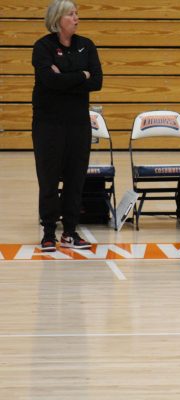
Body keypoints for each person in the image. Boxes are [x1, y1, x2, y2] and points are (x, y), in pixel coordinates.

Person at [32, 0, 103, 252]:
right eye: (71, 14)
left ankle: (71, 232)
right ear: (58, 19)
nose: (76, 18)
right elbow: (48, 81)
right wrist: (78, 76)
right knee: (49, 179)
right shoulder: (43, 47)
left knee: (76, 178)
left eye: (77, 14)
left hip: (77, 124)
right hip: (48, 124)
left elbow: (96, 81)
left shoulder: (86, 45)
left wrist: (64, 77)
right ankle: (49, 233)